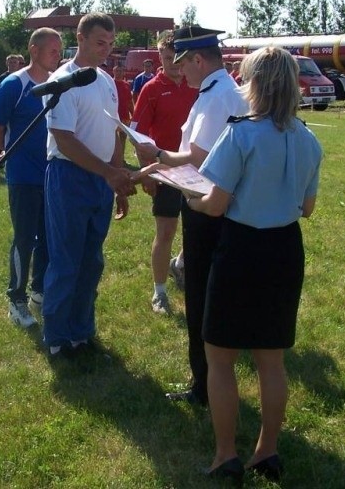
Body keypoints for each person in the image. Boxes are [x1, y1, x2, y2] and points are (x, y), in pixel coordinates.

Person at [153, 46, 322, 482]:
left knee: (221, 357)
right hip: (285, 250)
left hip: (241, 249)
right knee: (272, 360)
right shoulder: (308, 138)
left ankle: (226, 453)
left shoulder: (240, 134)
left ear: (255, 86)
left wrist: (188, 191)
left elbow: (215, 203)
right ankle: (266, 450)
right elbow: (308, 208)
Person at [136, 25, 248, 406]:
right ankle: (207, 379)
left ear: (198, 60)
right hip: (211, 201)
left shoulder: (217, 97)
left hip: (206, 206)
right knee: (207, 294)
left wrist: (161, 158)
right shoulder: (218, 91)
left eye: (183, 64)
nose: (179, 72)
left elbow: (199, 156)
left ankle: (204, 385)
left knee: (201, 297)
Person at [42, 12, 135, 358]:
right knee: (66, 259)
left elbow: (112, 132)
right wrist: (107, 173)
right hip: (68, 177)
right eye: (100, 43)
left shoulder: (106, 81)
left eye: (110, 44)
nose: (106, 50)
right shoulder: (63, 81)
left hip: (99, 180)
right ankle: (57, 338)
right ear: (79, 38)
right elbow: (64, 139)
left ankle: (81, 334)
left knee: (91, 260)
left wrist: (117, 178)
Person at [0, 27, 63, 329]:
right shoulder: (13, 85)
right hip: (23, 177)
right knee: (25, 238)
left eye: (60, 50)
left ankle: (39, 291)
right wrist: (12, 152)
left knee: (48, 237)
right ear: (34, 50)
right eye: (53, 50)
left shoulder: (58, 84)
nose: (58, 55)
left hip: (52, 175)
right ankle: (15, 299)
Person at [131, 30, 199, 313]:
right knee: (166, 231)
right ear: (158, 56)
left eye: (177, 58)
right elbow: (138, 135)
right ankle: (159, 292)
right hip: (165, 171)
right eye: (167, 57)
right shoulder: (151, 88)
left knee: (197, 229)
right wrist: (145, 172)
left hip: (197, 170)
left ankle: (180, 264)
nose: (173, 63)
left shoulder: (197, 83)